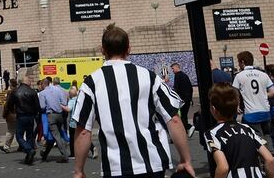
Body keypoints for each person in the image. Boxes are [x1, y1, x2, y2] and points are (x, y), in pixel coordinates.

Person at [71, 24, 194, 178]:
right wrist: (186, 160)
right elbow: (174, 119)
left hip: (116, 168)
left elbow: (83, 131)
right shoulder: (149, 77)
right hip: (153, 164)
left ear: (102, 50)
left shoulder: (91, 83)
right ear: (128, 49)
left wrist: (79, 170)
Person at [204, 83, 274, 178]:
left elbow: (223, 168)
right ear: (236, 108)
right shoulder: (247, 129)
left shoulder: (212, 133)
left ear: (213, 109)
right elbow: (269, 159)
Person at [233, 51, 274, 153]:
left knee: (257, 138)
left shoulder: (239, 76)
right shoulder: (263, 74)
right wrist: (262, 95)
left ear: (242, 62)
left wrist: (237, 105)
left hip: (251, 113)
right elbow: (273, 92)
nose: (238, 64)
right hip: (265, 110)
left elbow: (234, 93)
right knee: (267, 135)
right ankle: (273, 156)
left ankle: (265, 160)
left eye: (239, 62)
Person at [10, 72, 40, 165]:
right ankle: (29, 155)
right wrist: (35, 114)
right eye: (30, 81)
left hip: (21, 115)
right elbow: (37, 106)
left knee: (19, 136)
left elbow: (10, 104)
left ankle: (29, 151)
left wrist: (14, 111)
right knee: (30, 136)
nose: (31, 82)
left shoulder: (15, 91)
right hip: (30, 116)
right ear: (27, 82)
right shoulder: (33, 92)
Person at [39, 75, 70, 163]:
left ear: (43, 85)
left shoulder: (42, 93)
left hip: (51, 115)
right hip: (59, 115)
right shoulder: (57, 90)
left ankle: (64, 155)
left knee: (56, 136)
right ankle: (45, 154)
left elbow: (42, 106)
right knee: (53, 135)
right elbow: (63, 102)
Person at [172, 62, 196, 137]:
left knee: (180, 116)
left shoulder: (177, 76)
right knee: (184, 115)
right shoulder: (185, 75)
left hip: (182, 100)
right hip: (187, 99)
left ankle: (189, 127)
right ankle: (185, 131)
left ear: (177, 67)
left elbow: (176, 88)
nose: (172, 70)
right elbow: (190, 88)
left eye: (173, 68)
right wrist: (190, 99)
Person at [0, 84, 18, 153]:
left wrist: (4, 115)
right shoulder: (18, 99)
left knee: (10, 131)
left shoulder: (8, 102)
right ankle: (23, 145)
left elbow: (6, 109)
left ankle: (6, 146)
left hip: (11, 117)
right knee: (20, 131)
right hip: (18, 116)